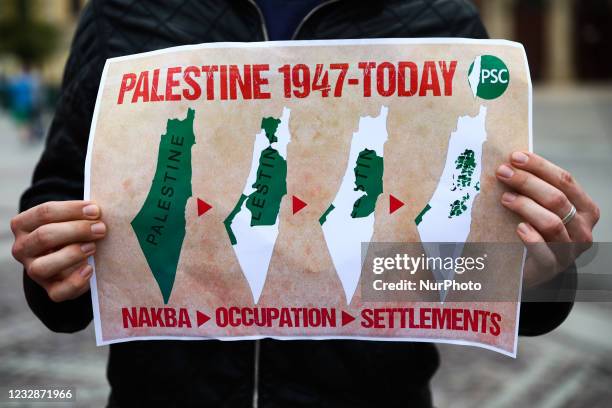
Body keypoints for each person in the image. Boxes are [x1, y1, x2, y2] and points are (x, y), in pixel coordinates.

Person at [10, 1, 600, 407]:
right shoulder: (123, 13)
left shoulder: (440, 19)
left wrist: (544, 272)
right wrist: (51, 261)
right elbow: (60, 196)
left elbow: (474, 256)